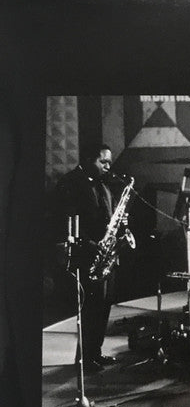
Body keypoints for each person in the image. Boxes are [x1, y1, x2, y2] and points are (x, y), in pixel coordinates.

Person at [55, 142, 119, 372]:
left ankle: (95, 352)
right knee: (90, 309)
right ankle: (83, 359)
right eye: (103, 162)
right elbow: (65, 220)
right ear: (87, 160)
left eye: (109, 162)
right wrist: (92, 246)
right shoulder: (70, 183)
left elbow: (110, 216)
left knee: (104, 305)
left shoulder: (103, 184)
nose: (108, 166)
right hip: (85, 254)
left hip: (104, 254)